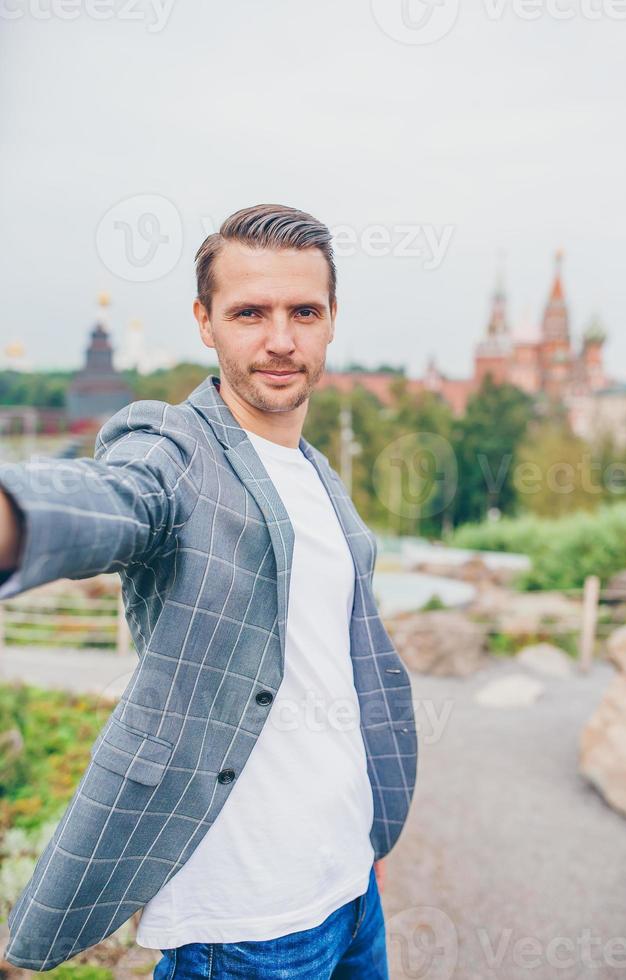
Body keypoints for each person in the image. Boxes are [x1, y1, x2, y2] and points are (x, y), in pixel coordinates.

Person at [0, 204, 418, 978]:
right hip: (245, 926)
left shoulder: (318, 474)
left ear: (330, 322)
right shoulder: (174, 453)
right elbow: (113, 499)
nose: (281, 339)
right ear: (205, 321)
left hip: (352, 890)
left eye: (304, 312)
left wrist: (363, 840)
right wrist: (16, 518)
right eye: (250, 312)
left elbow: (336, 666)